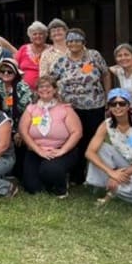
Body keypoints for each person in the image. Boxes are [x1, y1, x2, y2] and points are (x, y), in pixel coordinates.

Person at [50, 27, 110, 185]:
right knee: (74, 140)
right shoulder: (61, 61)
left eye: (77, 40)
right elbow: (50, 81)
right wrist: (56, 100)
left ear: (83, 42)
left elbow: (105, 73)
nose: (73, 43)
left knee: (92, 139)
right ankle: (76, 175)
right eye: (70, 41)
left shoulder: (94, 56)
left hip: (94, 105)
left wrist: (108, 95)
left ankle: (94, 174)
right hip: (71, 108)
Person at [18, 76, 83, 197]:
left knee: (50, 170)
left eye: (48, 86)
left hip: (60, 150)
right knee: (32, 187)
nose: (44, 89)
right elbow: (23, 131)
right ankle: (48, 182)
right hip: (36, 150)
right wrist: (38, 150)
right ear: (36, 91)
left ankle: (61, 187)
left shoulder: (65, 109)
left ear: (55, 89)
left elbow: (77, 132)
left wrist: (62, 151)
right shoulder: (31, 109)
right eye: (41, 87)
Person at [85, 88, 132, 206]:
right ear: (109, 107)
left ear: (128, 106)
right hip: (125, 162)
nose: (117, 107)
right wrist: (111, 172)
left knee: (121, 189)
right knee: (101, 148)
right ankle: (110, 185)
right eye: (113, 104)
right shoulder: (106, 124)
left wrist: (117, 175)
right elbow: (89, 152)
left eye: (122, 103)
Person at [0, 58, 33, 180]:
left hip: (23, 122)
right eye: (3, 71)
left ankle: (21, 173)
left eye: (9, 71)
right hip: (6, 122)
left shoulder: (22, 86)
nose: (6, 74)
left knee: (20, 146)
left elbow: (28, 111)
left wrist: (20, 131)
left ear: (15, 73)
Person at [16, 21, 49, 90]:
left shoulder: (51, 50)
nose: (38, 36)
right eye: (35, 34)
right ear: (30, 37)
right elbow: (15, 67)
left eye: (41, 34)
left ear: (45, 35)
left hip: (45, 90)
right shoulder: (23, 49)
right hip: (24, 90)